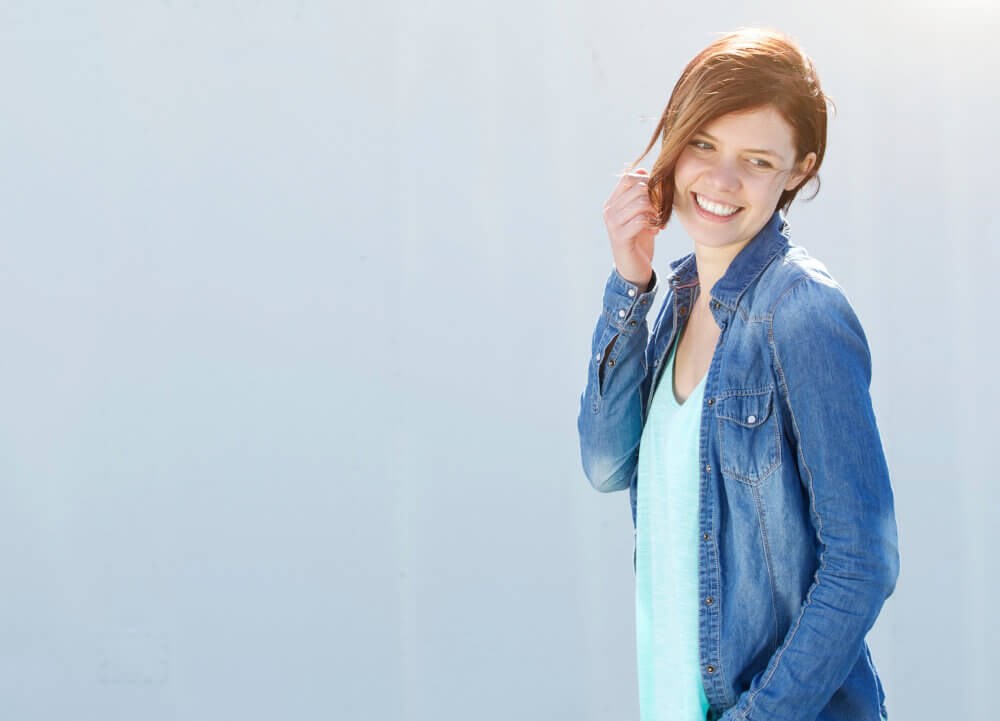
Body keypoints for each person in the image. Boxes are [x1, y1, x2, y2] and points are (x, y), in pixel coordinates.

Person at [576, 27, 899, 721]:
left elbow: (864, 562)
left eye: (756, 160)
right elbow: (605, 464)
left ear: (798, 171)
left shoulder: (802, 313)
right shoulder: (677, 306)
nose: (721, 183)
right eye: (703, 145)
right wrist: (630, 283)